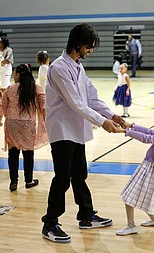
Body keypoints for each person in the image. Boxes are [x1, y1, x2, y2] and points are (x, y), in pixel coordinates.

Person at [41, 23, 125, 243]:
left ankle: (86, 215)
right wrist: (103, 122)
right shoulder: (59, 68)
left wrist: (113, 116)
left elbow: (91, 97)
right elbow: (76, 103)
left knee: (79, 174)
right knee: (62, 178)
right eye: (89, 46)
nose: (91, 50)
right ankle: (50, 223)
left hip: (76, 130)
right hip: (62, 130)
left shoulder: (77, 66)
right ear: (78, 44)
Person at [0, 63, 47, 192]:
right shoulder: (36, 88)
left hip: (11, 124)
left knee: (13, 153)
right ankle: (28, 180)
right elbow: (44, 106)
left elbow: (3, 105)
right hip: (28, 125)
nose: (13, 76)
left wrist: (1, 118)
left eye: (15, 73)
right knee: (28, 153)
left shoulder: (10, 88)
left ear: (19, 75)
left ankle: (13, 182)